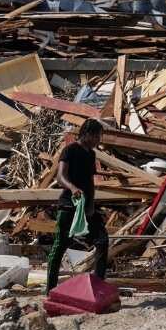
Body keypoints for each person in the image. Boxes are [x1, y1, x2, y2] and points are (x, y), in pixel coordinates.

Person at [46, 118, 110, 292]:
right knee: (60, 245)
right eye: (97, 136)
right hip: (68, 206)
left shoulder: (91, 154)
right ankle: (50, 289)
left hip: (86, 208)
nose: (99, 140)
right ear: (87, 134)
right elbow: (60, 177)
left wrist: (91, 205)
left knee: (102, 241)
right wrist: (73, 187)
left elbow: (90, 182)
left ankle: (98, 286)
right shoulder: (70, 150)